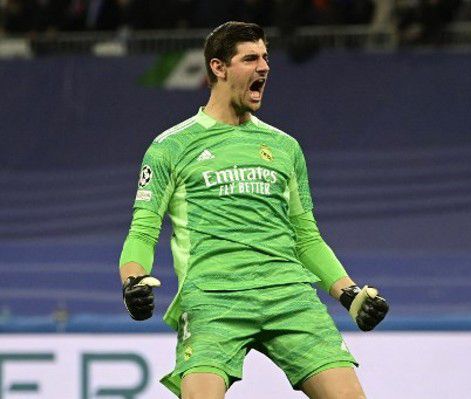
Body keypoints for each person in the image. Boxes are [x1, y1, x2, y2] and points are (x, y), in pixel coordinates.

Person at [118, 21, 389, 399]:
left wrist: (348, 293)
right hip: (213, 298)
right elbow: (143, 230)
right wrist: (133, 281)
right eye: (250, 59)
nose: (264, 67)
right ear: (218, 67)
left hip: (289, 295)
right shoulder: (170, 148)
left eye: (265, 58)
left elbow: (306, 236)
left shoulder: (284, 147)